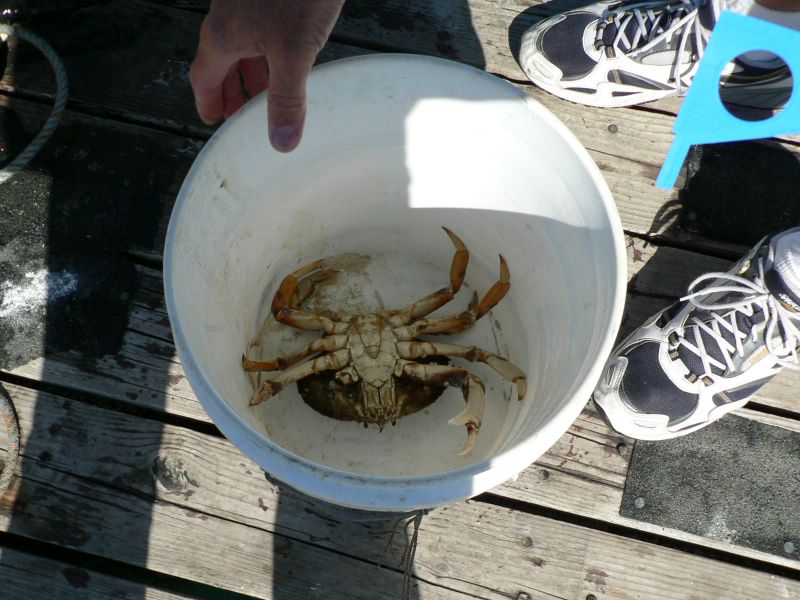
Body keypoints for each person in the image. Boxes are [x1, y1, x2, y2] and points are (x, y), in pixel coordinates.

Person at [188, 0, 800, 442]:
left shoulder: (340, 348)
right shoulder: (415, 343)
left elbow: (281, 341)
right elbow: (462, 309)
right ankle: (753, 39)